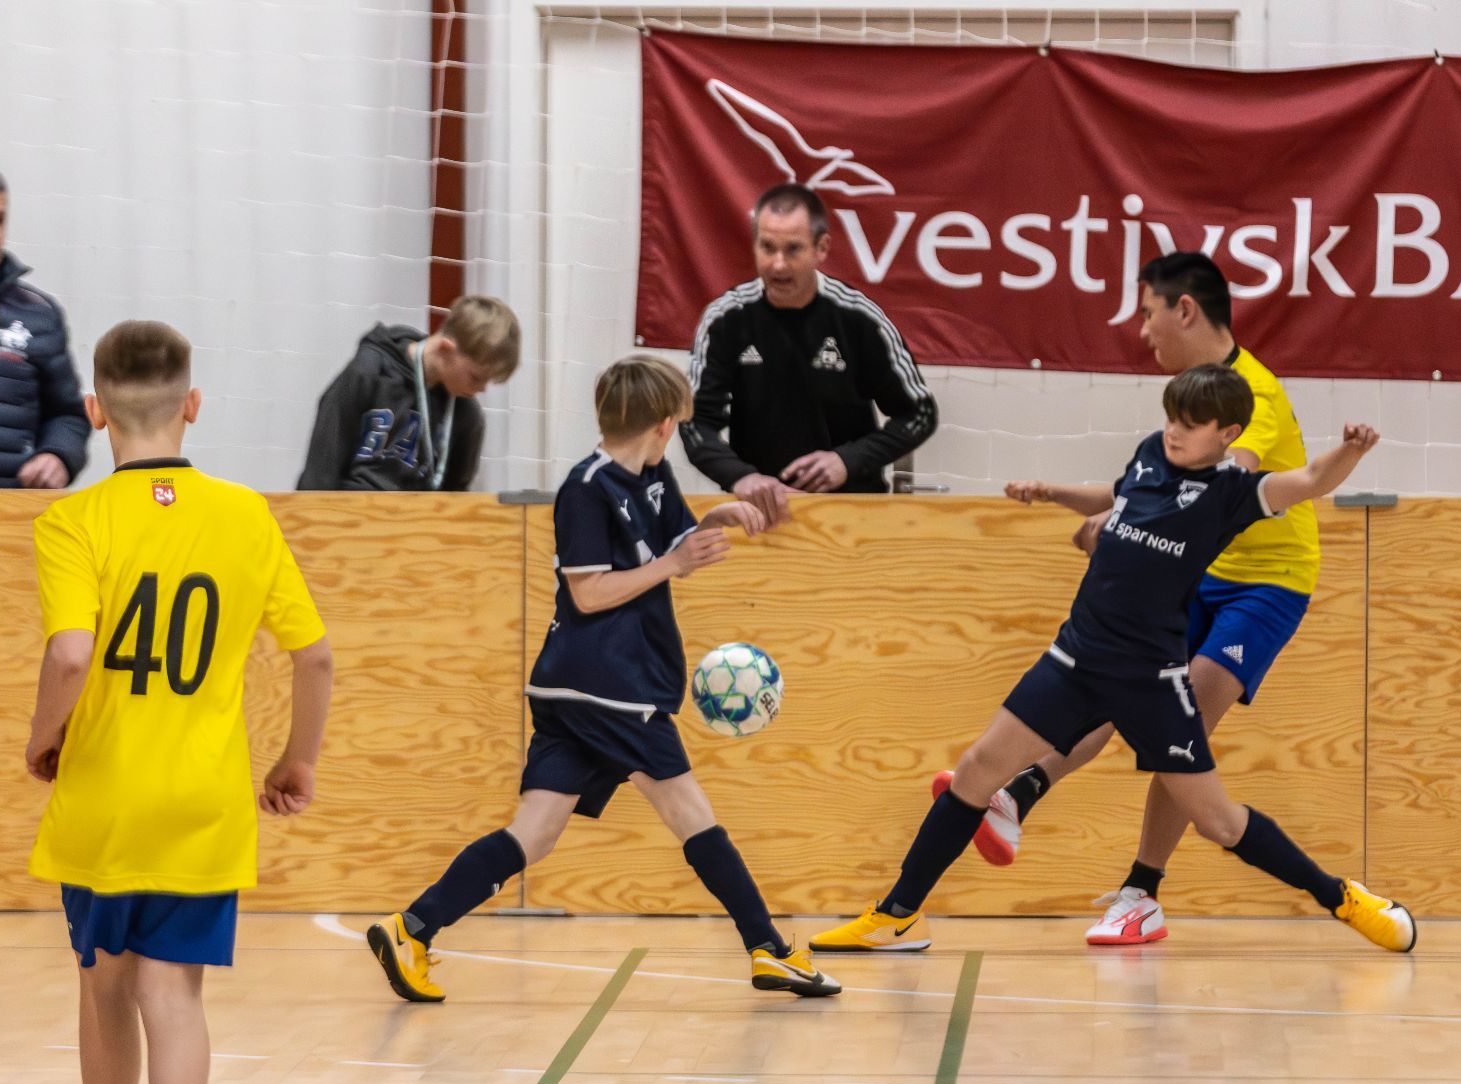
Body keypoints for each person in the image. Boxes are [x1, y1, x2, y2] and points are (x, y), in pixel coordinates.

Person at [810, 365, 1414, 955]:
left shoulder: (1233, 494)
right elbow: (1116, 496)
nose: (1175, 431)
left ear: (1228, 434)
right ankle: (897, 917)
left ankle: (1341, 898)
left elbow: (1310, 479)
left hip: (1150, 682)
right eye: (1172, 418)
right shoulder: (1151, 453)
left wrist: (1351, 450)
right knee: (974, 771)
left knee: (1220, 824)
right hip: (1074, 659)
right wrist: (1054, 494)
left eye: (1192, 424)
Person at [365, 355, 843, 1003]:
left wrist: (723, 517)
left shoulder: (654, 474)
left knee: (535, 832)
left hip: (582, 690)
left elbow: (675, 547)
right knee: (692, 815)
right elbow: (589, 594)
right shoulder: (585, 488)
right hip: (610, 686)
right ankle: (770, 950)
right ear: (665, 424)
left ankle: (411, 928)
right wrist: (675, 564)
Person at [939, 251, 1324, 946]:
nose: (1142, 331)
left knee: (1184, 724)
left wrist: (1118, 527)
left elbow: (1221, 491)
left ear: (1185, 311)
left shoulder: (1253, 398)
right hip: (1194, 572)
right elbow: (1158, 491)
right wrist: (1085, 503)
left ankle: (1142, 894)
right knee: (1119, 686)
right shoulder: (1191, 397)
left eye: (1148, 314)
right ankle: (1018, 795)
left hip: (1266, 582)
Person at [26, 319, 333, 1084]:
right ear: (192, 405)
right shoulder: (246, 515)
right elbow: (315, 656)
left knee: (105, 990)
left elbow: (70, 655)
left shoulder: (73, 521)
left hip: (105, 795)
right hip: (204, 802)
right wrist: (297, 759)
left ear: (95, 411)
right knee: (173, 997)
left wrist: (43, 735)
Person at [681, 184, 937, 522]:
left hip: (852, 514)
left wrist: (848, 461)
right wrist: (741, 477)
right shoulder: (725, 318)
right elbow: (694, 421)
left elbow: (920, 414)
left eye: (793, 249)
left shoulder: (858, 317)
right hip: (759, 516)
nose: (778, 264)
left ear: (822, 248)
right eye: (767, 247)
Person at [297, 294, 520, 491]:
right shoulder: (368, 373)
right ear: (445, 349)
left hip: (418, 522)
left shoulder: (466, 415)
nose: (482, 389)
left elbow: (456, 498)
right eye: (476, 377)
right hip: (350, 516)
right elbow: (320, 472)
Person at [0, 167, 91, 488]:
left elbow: (68, 415)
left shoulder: (39, 315)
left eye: (0, 219)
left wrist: (58, 454)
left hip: (12, 510)